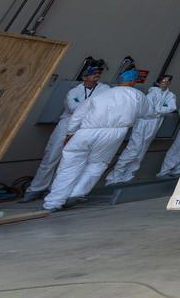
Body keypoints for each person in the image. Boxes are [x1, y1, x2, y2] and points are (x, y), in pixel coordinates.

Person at [42, 69, 146, 211]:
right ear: (133, 81)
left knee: (68, 166)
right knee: (97, 164)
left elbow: (78, 115)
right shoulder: (137, 95)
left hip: (86, 132)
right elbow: (146, 113)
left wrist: (70, 134)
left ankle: (53, 203)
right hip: (114, 133)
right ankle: (76, 193)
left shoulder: (101, 94)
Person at [23, 64, 108, 201]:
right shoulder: (74, 92)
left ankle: (54, 190)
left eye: (98, 73)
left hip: (85, 127)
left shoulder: (104, 89)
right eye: (93, 73)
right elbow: (74, 108)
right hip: (66, 125)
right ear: (85, 77)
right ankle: (36, 189)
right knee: (51, 157)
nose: (96, 76)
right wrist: (93, 107)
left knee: (70, 161)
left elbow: (105, 107)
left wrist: (90, 109)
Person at [105, 74, 176, 185]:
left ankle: (128, 175)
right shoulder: (151, 93)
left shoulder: (170, 95)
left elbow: (172, 107)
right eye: (163, 81)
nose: (165, 83)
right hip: (143, 123)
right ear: (159, 82)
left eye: (167, 81)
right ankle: (115, 176)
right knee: (133, 148)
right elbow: (149, 110)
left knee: (142, 150)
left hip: (154, 124)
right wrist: (161, 110)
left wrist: (157, 110)